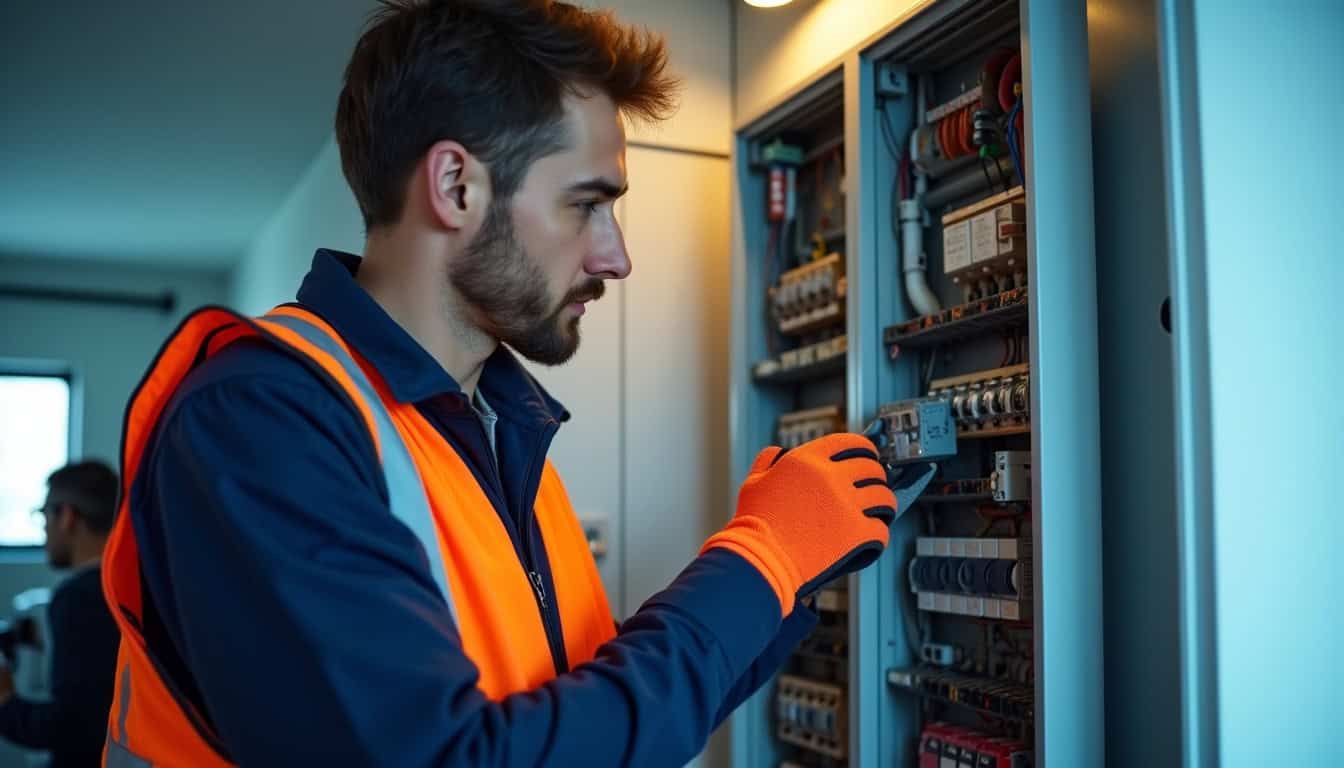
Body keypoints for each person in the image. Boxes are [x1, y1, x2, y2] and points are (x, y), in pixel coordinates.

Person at [98, 2, 920, 765]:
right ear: (456, 186)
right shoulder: (259, 422)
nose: (616, 257)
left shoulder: (489, 420)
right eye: (586, 205)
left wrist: (792, 567)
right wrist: (760, 558)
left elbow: (583, 714)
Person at [0, 460, 120, 767]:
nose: (44, 528)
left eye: (44, 515)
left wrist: (5, 702)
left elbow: (71, 726)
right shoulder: (127, 585)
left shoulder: (76, 599)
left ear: (67, 516)